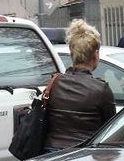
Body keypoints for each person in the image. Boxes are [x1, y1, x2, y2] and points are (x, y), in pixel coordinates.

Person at [44, 19, 116, 150]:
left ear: (72, 55)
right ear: (96, 55)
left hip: (50, 154)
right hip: (84, 155)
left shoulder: (54, 83)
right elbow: (111, 130)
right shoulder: (101, 89)